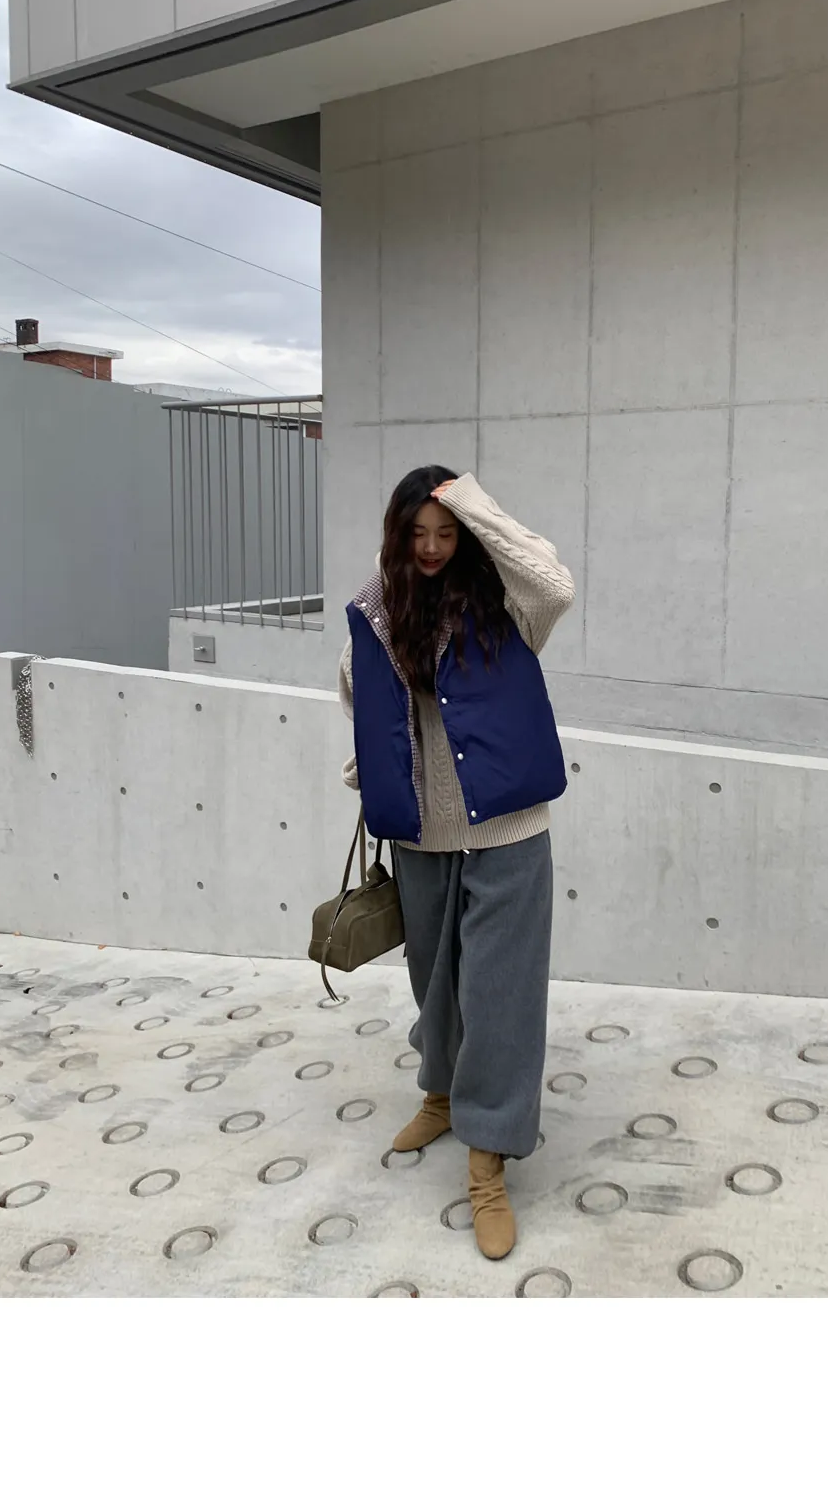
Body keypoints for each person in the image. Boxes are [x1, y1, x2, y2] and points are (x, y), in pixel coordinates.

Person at [340, 462, 573, 1260]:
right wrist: (373, 767)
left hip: (508, 828)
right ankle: (441, 1095)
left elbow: (556, 582)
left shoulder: (509, 602)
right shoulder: (379, 610)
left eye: (447, 533)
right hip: (421, 834)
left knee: (499, 997)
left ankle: (487, 1160)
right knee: (434, 984)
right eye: (419, 533)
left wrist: (469, 500)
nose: (433, 547)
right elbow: (356, 693)